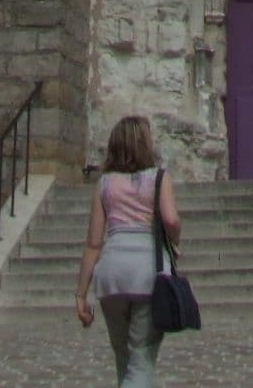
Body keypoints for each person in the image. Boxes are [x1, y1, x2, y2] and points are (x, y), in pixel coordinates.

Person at [75, 114, 181, 388]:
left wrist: (80, 293)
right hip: (147, 274)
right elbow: (170, 220)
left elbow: (93, 243)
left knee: (124, 359)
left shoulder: (105, 184)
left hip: (112, 276)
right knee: (142, 361)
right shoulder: (159, 179)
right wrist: (175, 240)